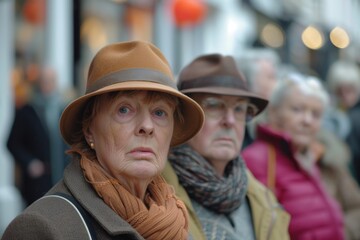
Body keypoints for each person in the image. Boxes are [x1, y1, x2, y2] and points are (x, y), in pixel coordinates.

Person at [2, 40, 205, 240]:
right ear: (89, 129)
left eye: (160, 112)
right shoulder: (43, 229)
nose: (147, 126)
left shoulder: (176, 219)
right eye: (124, 109)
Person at [163, 54, 290, 240]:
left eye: (239, 109)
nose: (230, 121)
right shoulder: (154, 195)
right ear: (182, 117)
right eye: (214, 106)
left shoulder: (262, 198)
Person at [242, 74, 345, 240]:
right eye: (297, 109)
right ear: (274, 112)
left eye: (316, 114)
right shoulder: (257, 159)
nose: (307, 120)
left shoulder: (309, 156)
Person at [7, 76, 52, 206]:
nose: (49, 86)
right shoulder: (26, 111)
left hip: (57, 177)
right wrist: (29, 162)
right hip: (36, 183)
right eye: (46, 81)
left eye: (52, 81)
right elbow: (12, 143)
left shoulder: (60, 109)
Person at [326, 60, 360, 184]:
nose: (345, 96)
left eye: (350, 90)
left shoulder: (354, 117)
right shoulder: (331, 115)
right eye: (340, 91)